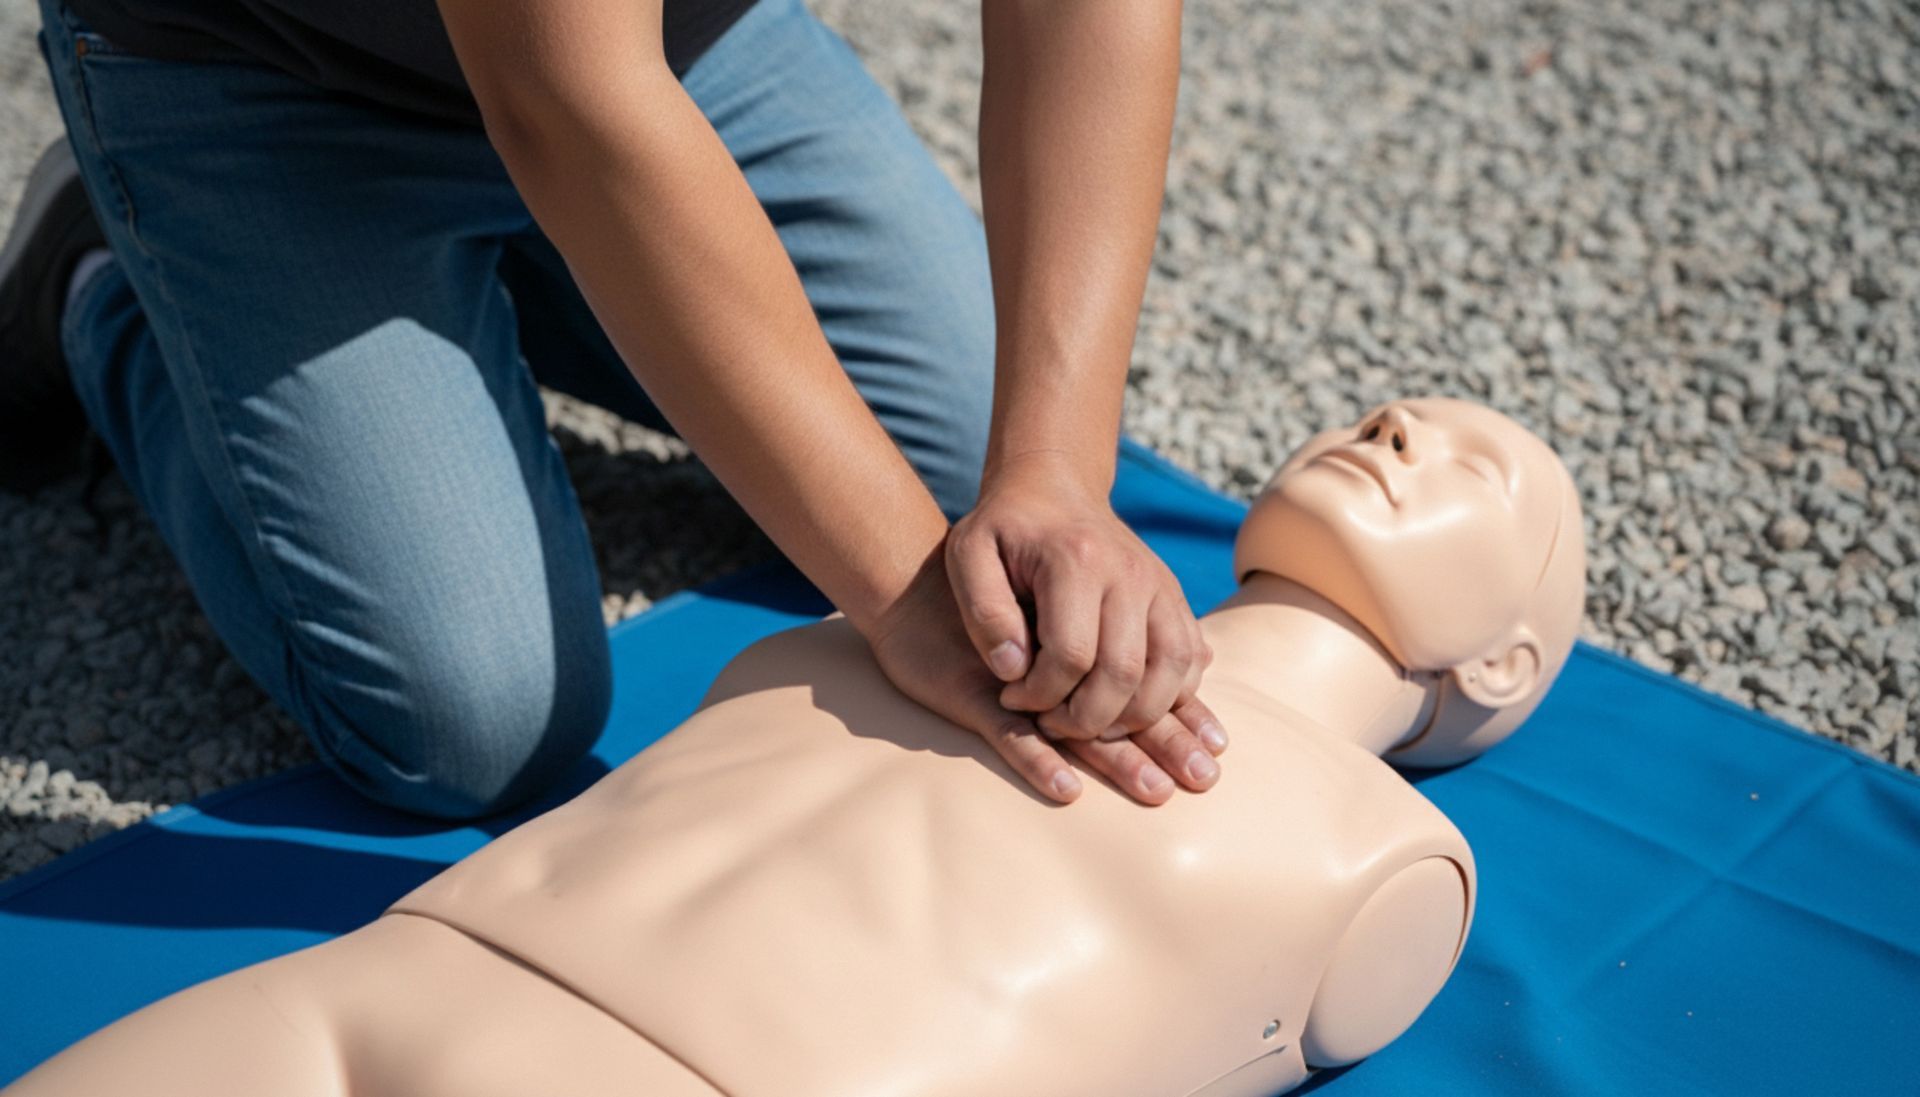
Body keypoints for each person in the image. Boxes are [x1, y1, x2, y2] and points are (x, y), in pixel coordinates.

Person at [0, 398, 1588, 1097]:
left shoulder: (1378, 868)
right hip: (391, 977)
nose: (1393, 432)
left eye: (1473, 467)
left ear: (1506, 664)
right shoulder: (937, 588)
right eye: (1395, 407)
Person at [0, 0, 1226, 819]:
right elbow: (563, 101)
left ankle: (526, 286)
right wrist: (903, 597)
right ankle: (98, 281)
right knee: (475, 718)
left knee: (978, 482)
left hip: (670, 52)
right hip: (263, 73)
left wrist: (1055, 472)